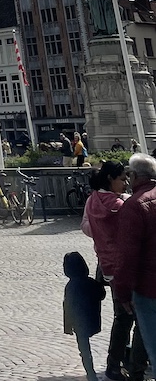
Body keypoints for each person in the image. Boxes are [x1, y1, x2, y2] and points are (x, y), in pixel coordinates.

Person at [82, 160, 148, 381]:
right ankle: (136, 368)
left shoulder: (92, 200)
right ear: (111, 178)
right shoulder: (119, 205)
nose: (126, 183)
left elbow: (86, 228)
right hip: (124, 266)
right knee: (140, 320)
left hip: (106, 264)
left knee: (122, 318)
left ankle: (113, 364)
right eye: (122, 179)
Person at [113, 153, 156, 377]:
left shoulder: (134, 206)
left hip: (149, 288)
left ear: (134, 176)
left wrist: (122, 293)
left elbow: (127, 256)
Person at [63, 251, 106, 381]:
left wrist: (68, 326)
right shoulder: (90, 282)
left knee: (84, 349)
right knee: (85, 346)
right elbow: (101, 294)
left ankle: (90, 371)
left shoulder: (71, 286)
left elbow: (67, 306)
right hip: (92, 319)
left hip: (78, 322)